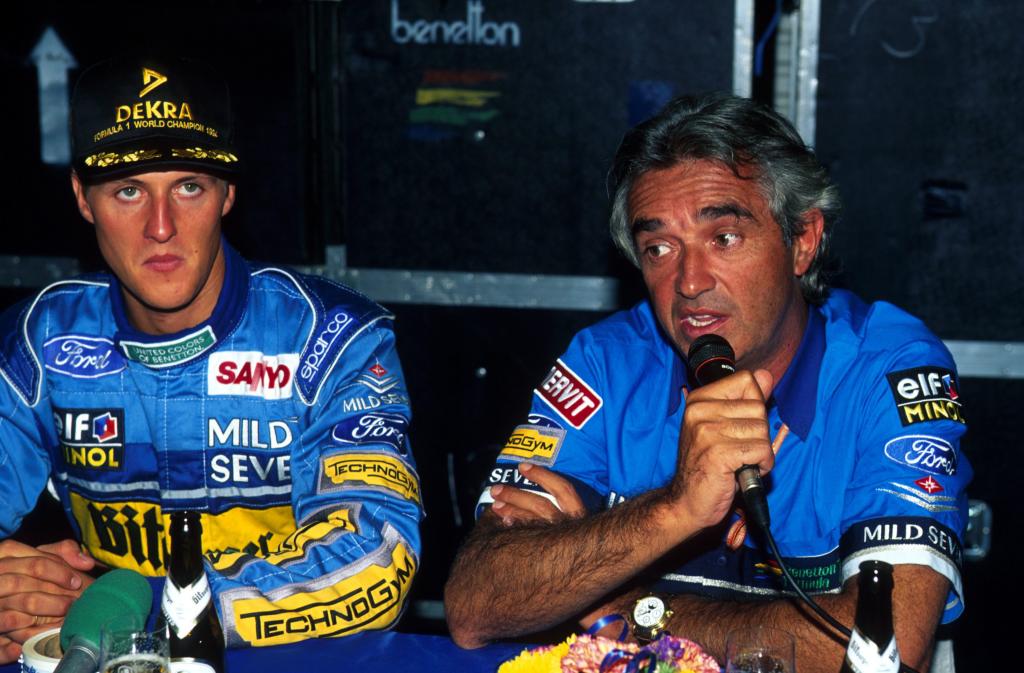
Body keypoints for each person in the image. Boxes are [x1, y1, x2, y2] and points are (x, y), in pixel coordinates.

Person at [445, 93, 970, 673]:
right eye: (659, 248)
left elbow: (887, 647)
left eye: (723, 238)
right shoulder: (606, 364)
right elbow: (476, 604)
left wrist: (627, 606)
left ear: (802, 241)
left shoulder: (888, 368)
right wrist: (676, 507)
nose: (689, 282)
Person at [0, 56, 422, 662]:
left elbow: (381, 563)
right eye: (128, 191)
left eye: (188, 186)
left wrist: (139, 603)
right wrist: (19, 592)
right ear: (81, 198)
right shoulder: (40, 343)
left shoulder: (331, 341)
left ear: (228, 192)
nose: (161, 226)